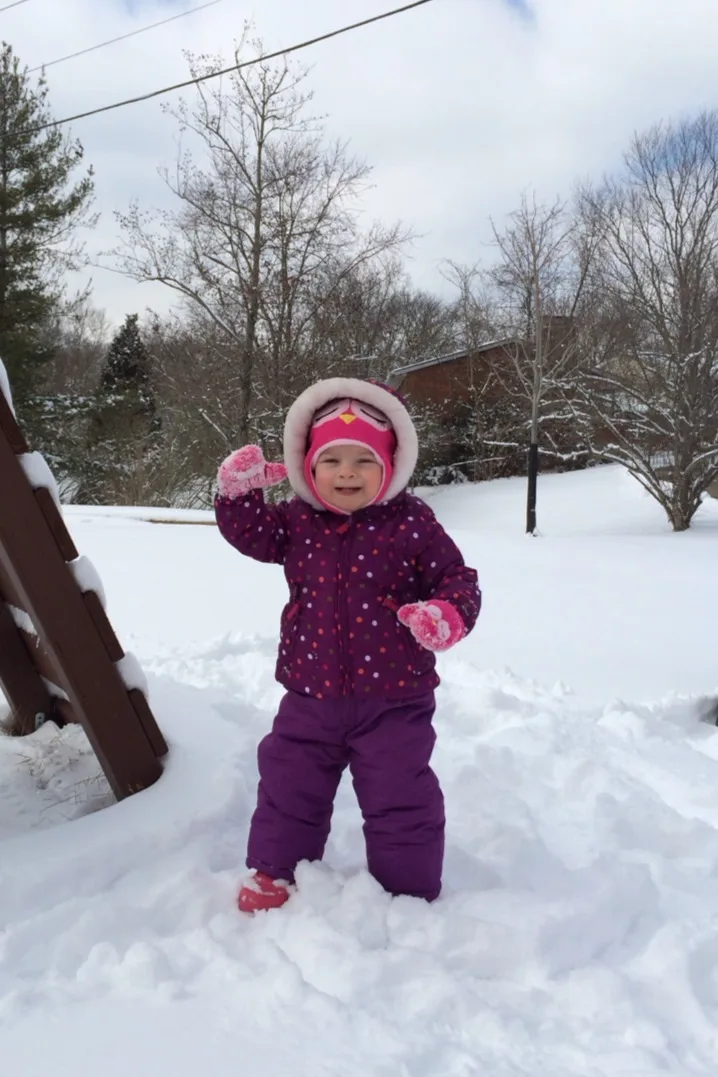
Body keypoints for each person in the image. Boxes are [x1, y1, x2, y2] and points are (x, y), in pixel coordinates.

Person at [215, 378, 481, 913]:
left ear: (389, 465)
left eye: (362, 461)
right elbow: (254, 535)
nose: (346, 474)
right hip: (310, 694)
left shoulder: (412, 523)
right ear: (308, 467)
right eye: (332, 461)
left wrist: (444, 615)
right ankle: (274, 872)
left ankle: (407, 889)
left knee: (400, 794)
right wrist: (236, 494)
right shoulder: (296, 521)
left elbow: (458, 579)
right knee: (289, 787)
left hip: (395, 698)